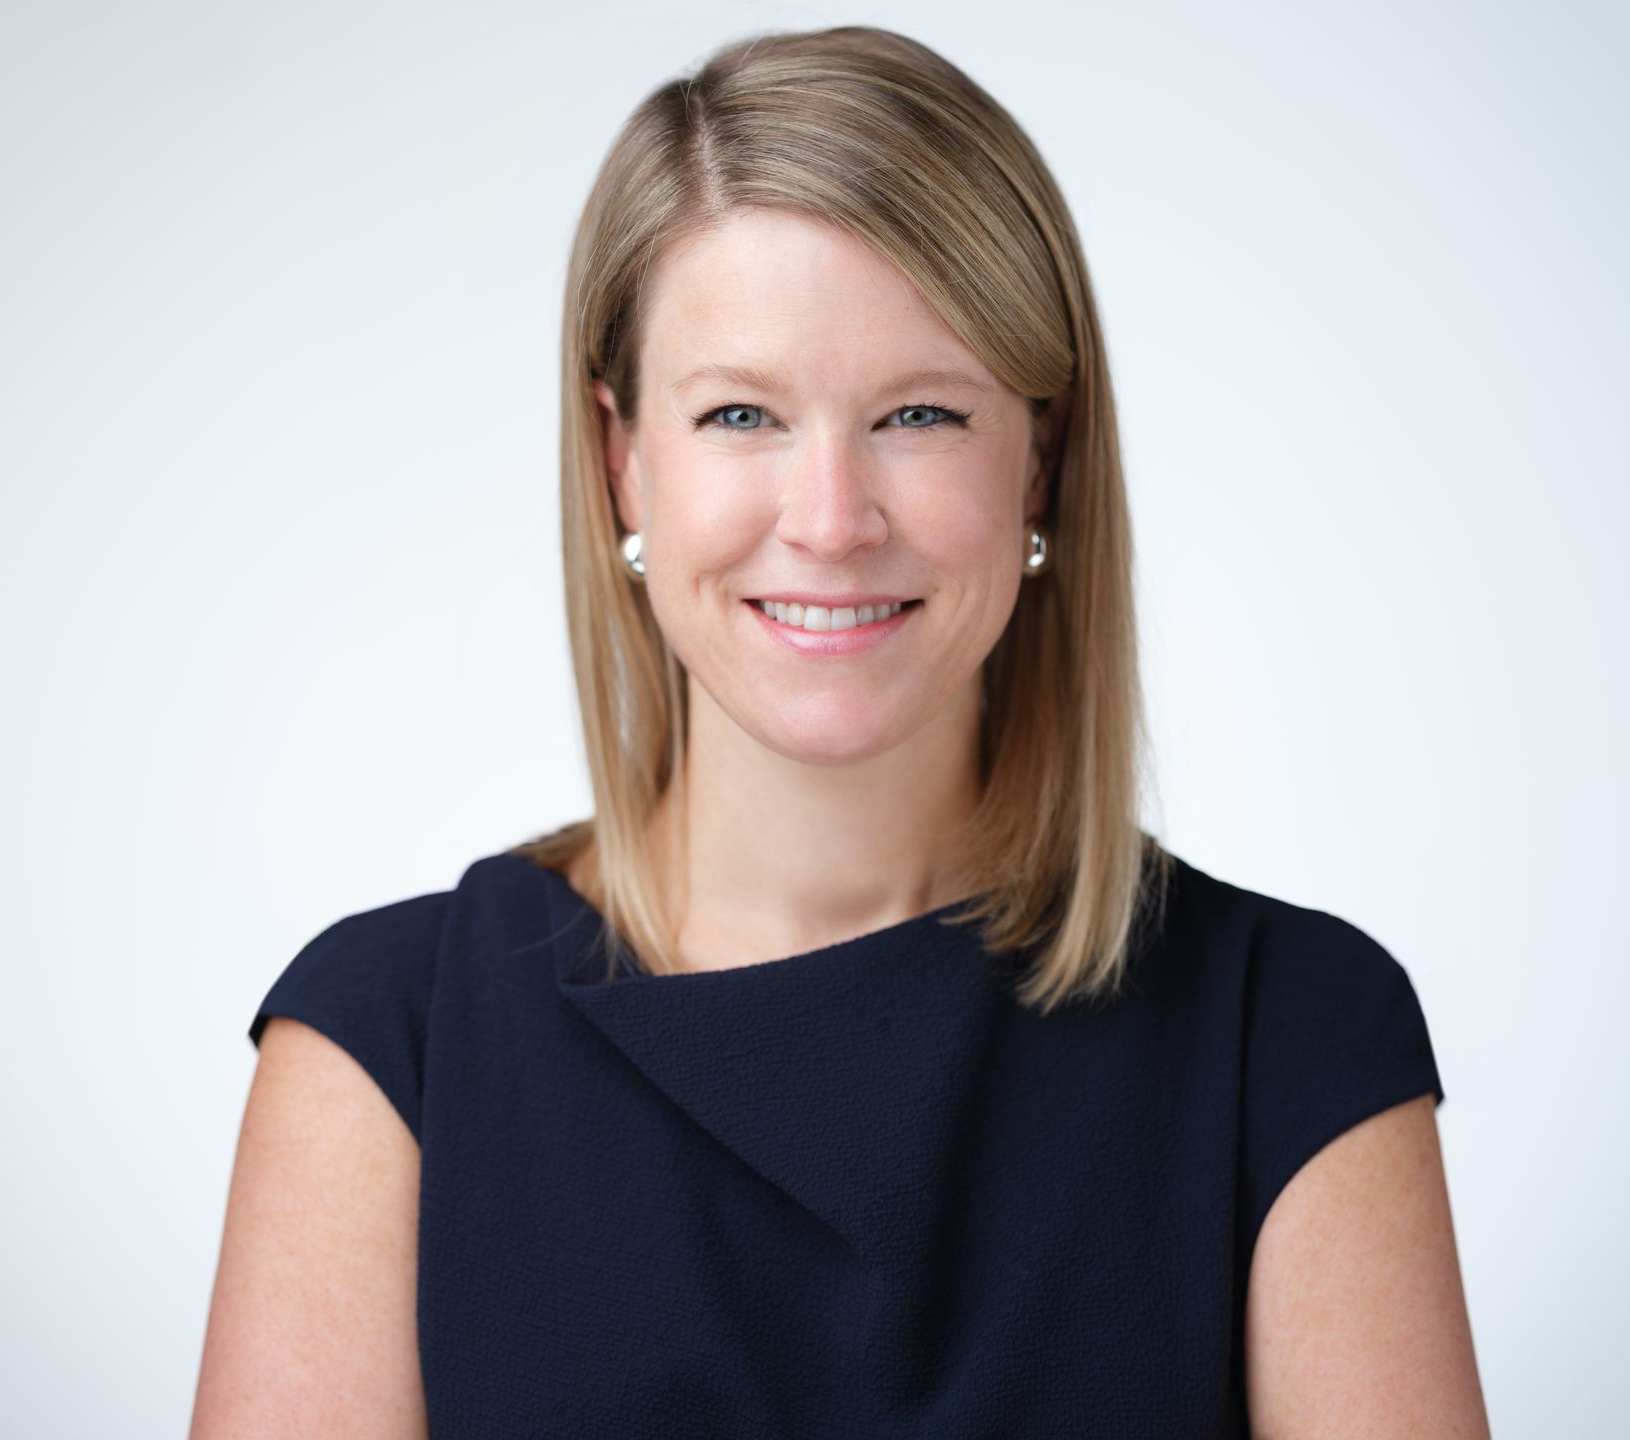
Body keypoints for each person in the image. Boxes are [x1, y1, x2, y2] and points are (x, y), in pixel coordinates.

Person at [191, 24, 1490, 1438]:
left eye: (920, 413)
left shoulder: (1293, 1037)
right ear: (623, 461)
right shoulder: (389, 1048)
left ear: (1038, 457)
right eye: (740, 413)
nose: (828, 518)